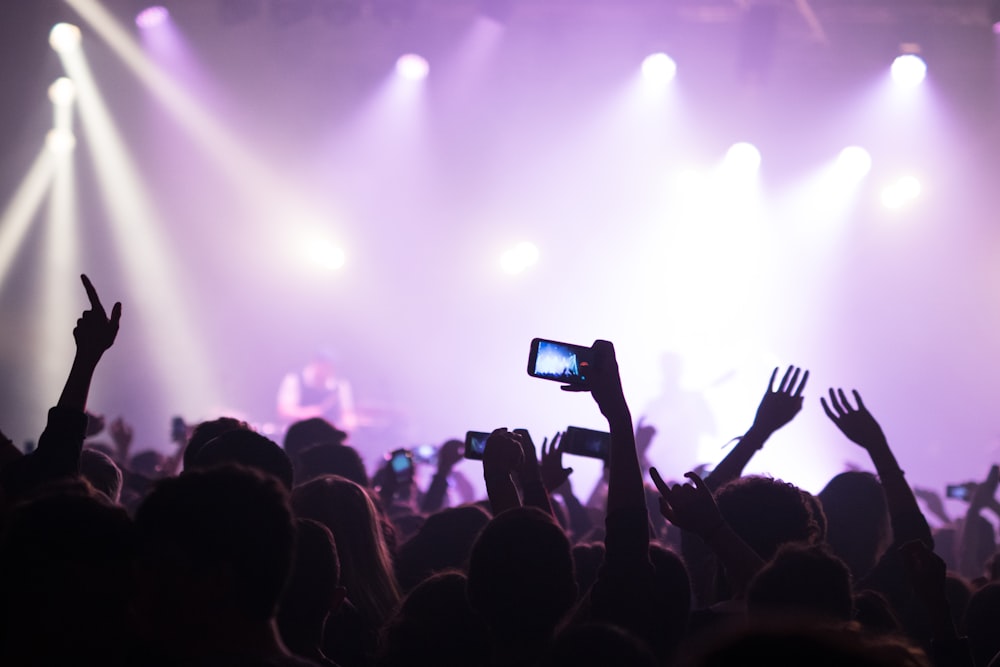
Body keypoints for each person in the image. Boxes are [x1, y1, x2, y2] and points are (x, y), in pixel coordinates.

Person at [277, 355, 357, 430]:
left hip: (329, 435)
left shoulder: (340, 384)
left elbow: (347, 414)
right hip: (300, 433)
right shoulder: (295, 379)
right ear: (315, 364)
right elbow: (283, 411)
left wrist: (349, 424)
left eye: (329, 367)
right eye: (323, 365)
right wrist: (305, 413)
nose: (326, 370)